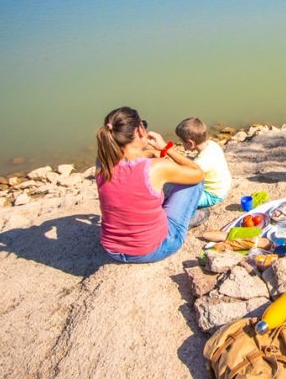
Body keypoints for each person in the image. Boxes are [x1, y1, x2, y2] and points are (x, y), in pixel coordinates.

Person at [95, 106, 206, 263]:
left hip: (112, 250)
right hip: (152, 249)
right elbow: (197, 172)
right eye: (144, 125)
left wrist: (151, 152)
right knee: (195, 183)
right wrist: (165, 149)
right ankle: (187, 218)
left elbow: (129, 158)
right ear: (140, 130)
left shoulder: (102, 162)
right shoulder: (156, 167)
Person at [175, 117, 232, 208]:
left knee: (178, 200)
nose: (181, 143)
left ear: (190, 143)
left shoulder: (202, 162)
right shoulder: (211, 144)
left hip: (213, 195)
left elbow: (185, 176)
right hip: (224, 185)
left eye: (181, 141)